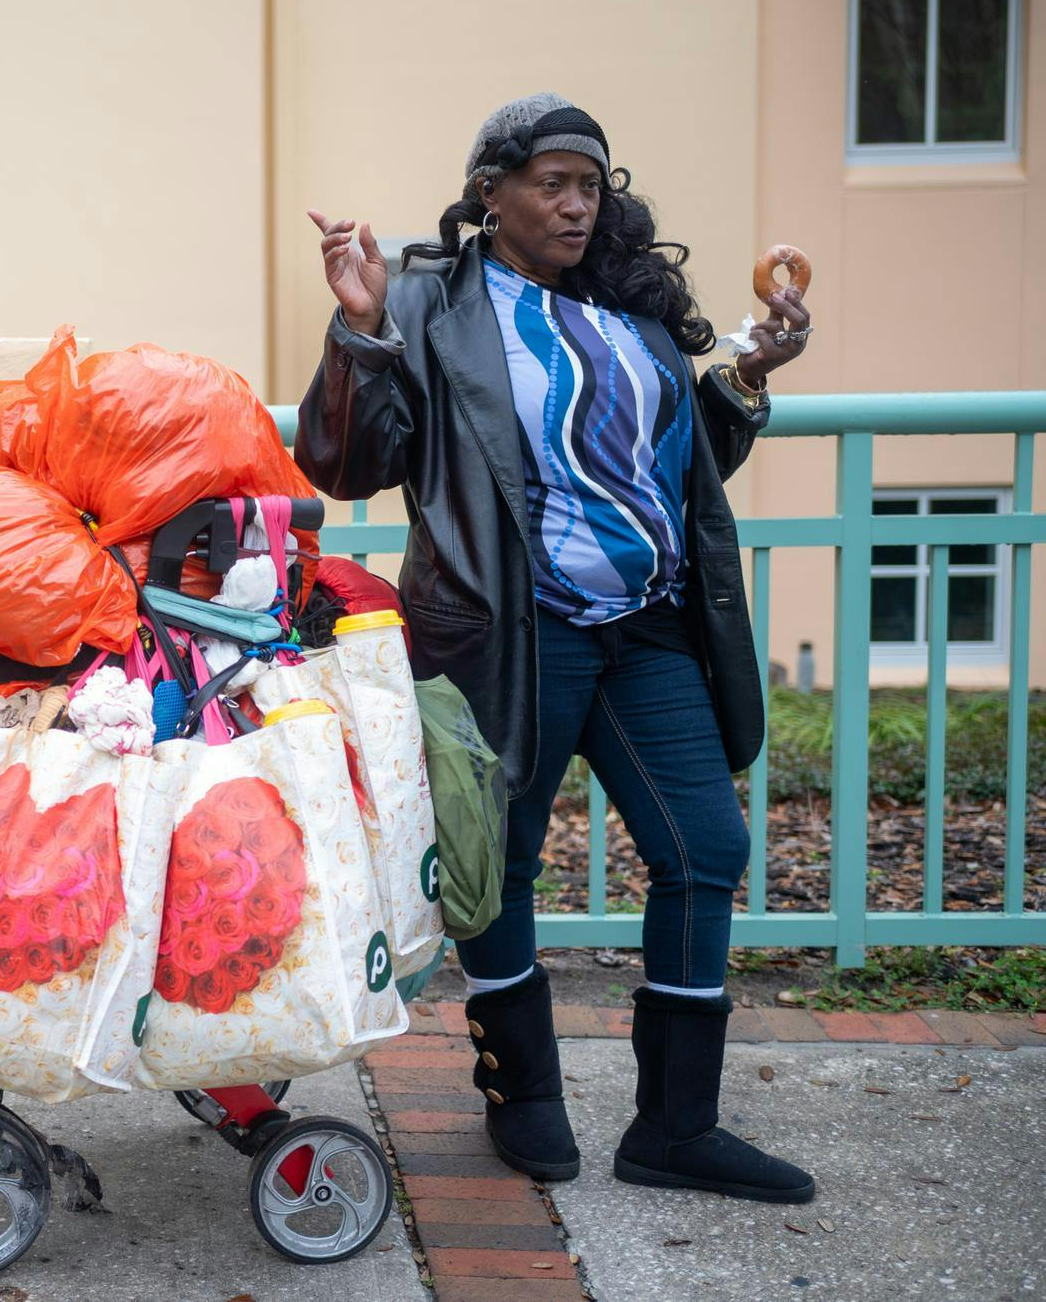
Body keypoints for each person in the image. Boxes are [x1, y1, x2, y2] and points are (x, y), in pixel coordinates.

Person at [297, 93, 815, 1203]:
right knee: (496, 865)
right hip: (499, 634)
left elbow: (663, 472)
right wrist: (359, 330)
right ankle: (521, 1097)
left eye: (590, 184)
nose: (578, 203)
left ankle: (673, 1128)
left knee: (703, 846)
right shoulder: (432, 299)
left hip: (647, 633)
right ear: (491, 191)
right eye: (552, 182)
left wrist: (746, 374)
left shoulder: (628, 310)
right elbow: (345, 464)